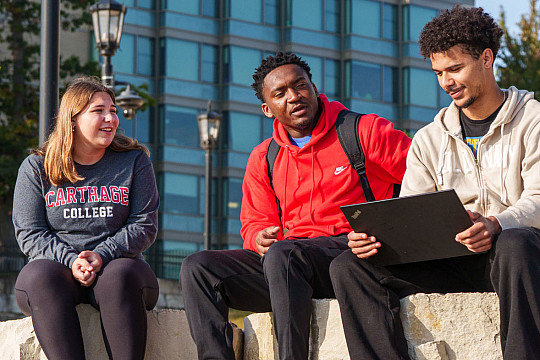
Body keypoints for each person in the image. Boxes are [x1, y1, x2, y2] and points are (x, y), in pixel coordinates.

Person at [329, 5, 540, 359]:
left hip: (520, 256)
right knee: (349, 266)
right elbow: (411, 210)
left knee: (515, 245)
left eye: (455, 69)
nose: (446, 82)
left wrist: (496, 223)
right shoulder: (429, 138)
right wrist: (376, 238)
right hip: (457, 258)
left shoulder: (532, 121)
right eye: (439, 72)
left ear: (486, 58)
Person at [179, 52, 411, 359]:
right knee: (198, 267)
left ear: (314, 87)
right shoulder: (265, 157)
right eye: (280, 93)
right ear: (267, 108)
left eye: (300, 85)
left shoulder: (363, 131)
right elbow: (254, 222)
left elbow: (424, 177)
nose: (294, 96)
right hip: (288, 270)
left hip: (353, 257)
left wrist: (387, 230)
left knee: (285, 254)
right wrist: (259, 238)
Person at [12, 76, 160, 360]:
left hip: (120, 274)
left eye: (113, 110)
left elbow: (145, 223)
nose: (110, 118)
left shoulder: (134, 161)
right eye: (98, 111)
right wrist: (72, 260)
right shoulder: (37, 167)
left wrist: (102, 255)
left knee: (118, 274)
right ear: (72, 119)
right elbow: (30, 233)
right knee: (38, 274)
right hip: (58, 274)